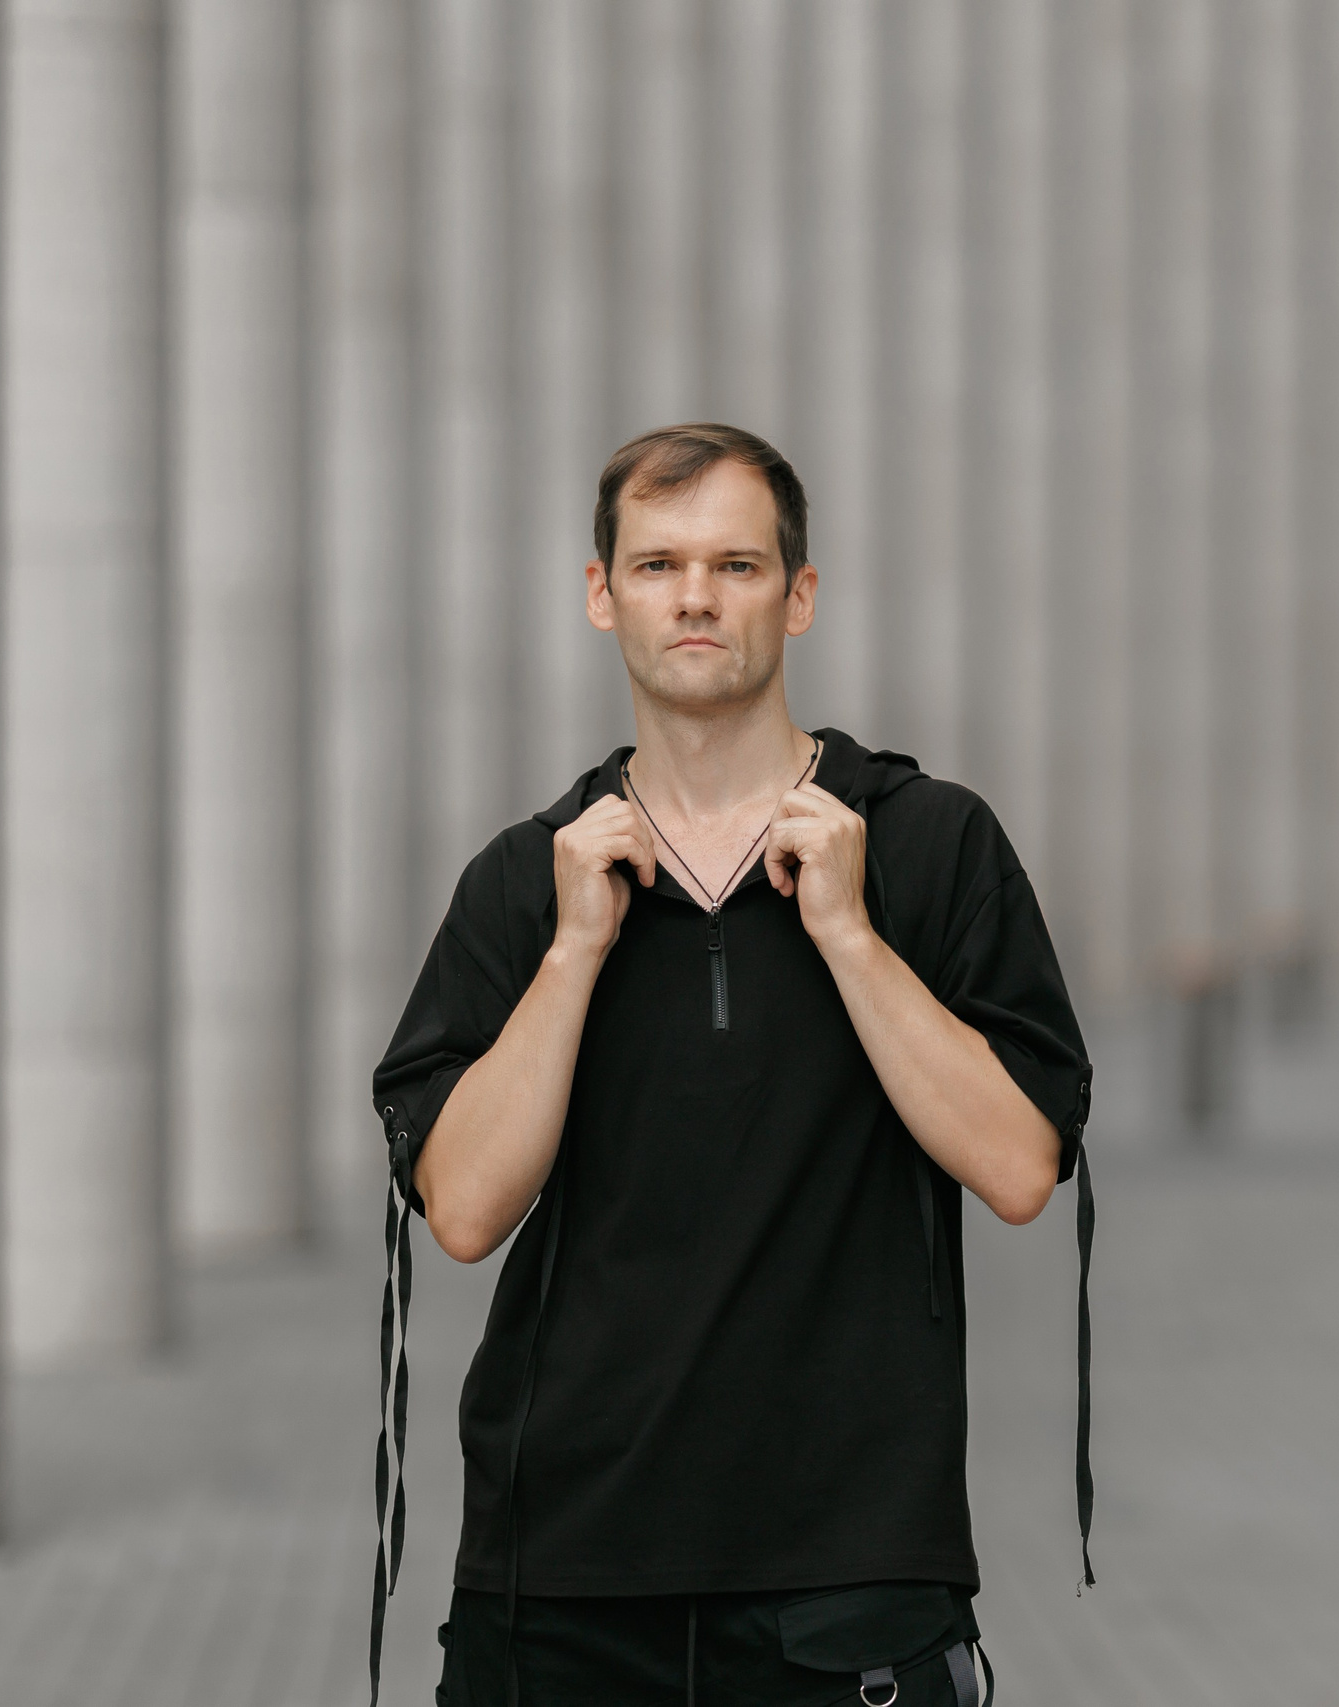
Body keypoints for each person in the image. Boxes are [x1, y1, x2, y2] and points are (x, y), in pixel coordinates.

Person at [369, 423, 1095, 1707]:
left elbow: (1023, 1164)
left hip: (852, 1578)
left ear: (797, 595)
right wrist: (572, 955)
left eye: (736, 564)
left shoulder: (928, 848)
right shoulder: (530, 880)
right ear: (603, 597)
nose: (694, 595)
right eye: (655, 565)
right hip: (560, 1580)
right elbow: (466, 1211)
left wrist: (847, 935)